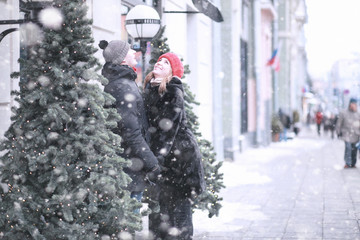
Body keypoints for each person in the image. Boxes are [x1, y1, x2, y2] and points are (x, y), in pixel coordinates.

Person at [143, 52, 206, 240]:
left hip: (180, 163)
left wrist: (155, 162)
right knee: (162, 217)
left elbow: (167, 132)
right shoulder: (152, 89)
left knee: (178, 218)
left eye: (166, 63)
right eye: (159, 60)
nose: (159, 63)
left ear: (172, 72)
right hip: (167, 162)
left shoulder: (172, 92)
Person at [99, 40, 160, 209]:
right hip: (129, 169)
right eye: (130, 50)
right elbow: (131, 132)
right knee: (126, 226)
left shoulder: (124, 81)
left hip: (130, 167)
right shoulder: (122, 87)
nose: (134, 52)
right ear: (122, 59)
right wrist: (152, 163)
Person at [336, 98, 360, 168]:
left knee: (354, 149)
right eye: (353, 104)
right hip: (346, 134)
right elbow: (339, 123)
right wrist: (338, 132)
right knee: (348, 148)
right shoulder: (344, 113)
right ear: (350, 104)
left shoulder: (358, 114)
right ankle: (347, 163)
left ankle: (353, 163)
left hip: (356, 134)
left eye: (355, 104)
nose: (354, 106)